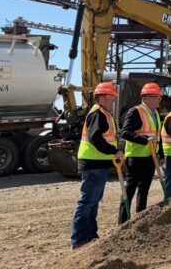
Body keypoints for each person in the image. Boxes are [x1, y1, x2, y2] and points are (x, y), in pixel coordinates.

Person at [70, 82, 125, 249]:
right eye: (111, 97)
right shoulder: (98, 114)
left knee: (93, 202)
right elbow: (95, 138)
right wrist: (114, 151)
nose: (113, 100)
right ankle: (79, 240)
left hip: (98, 164)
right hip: (92, 164)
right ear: (101, 97)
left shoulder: (104, 114)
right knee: (87, 202)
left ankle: (90, 236)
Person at [118, 82, 162, 224]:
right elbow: (125, 133)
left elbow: (158, 136)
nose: (160, 100)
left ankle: (140, 220)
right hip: (136, 158)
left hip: (151, 157)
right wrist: (145, 140)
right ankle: (123, 222)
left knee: (144, 191)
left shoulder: (155, 114)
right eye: (157, 97)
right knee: (129, 191)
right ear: (147, 97)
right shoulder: (135, 111)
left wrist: (160, 153)